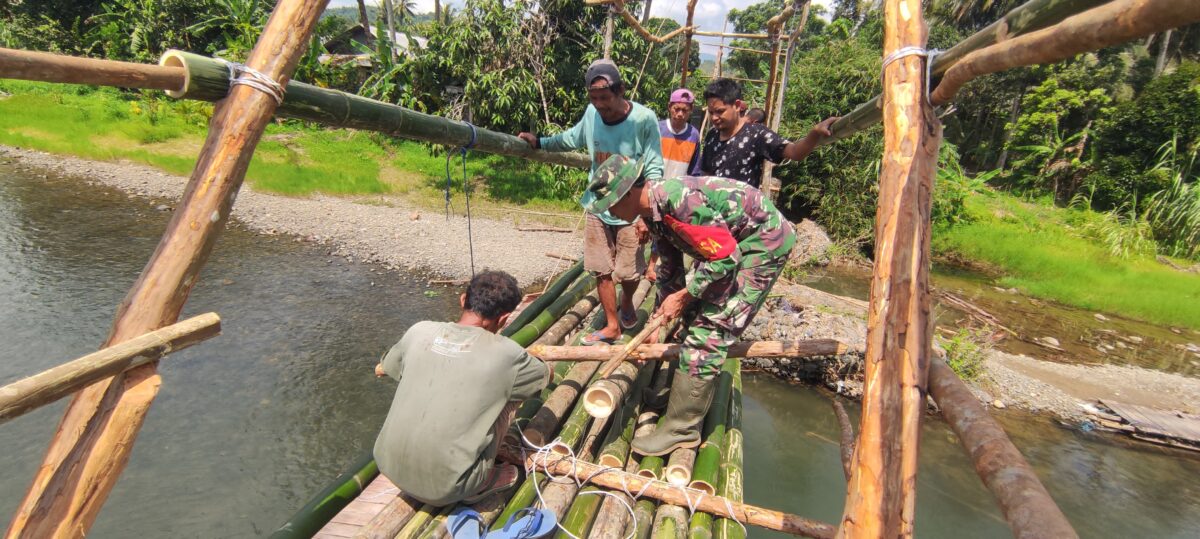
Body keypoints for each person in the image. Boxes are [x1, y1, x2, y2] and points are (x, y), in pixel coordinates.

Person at [579, 155, 796, 456]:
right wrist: (661, 317)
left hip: (762, 245)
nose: (610, 213)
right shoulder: (653, 211)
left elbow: (726, 258)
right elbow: (669, 268)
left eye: (612, 204)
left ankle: (682, 429)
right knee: (691, 318)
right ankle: (678, 397)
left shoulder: (680, 203)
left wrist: (684, 296)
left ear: (628, 192)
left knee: (711, 330)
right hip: (732, 247)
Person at [517, 59, 665, 345]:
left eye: (605, 98)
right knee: (601, 268)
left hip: (631, 206)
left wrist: (647, 214)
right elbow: (571, 138)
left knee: (628, 271)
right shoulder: (592, 114)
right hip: (599, 203)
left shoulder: (644, 119)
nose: (599, 105)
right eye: (594, 98)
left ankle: (627, 303)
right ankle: (612, 324)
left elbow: (655, 167)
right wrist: (541, 143)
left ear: (620, 91)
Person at [372, 271, 549, 506]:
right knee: (509, 399)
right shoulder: (507, 354)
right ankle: (482, 481)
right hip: (448, 487)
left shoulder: (419, 330)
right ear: (504, 318)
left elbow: (387, 366)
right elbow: (544, 377)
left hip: (386, 465)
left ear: (463, 300)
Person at [699, 78, 838, 188]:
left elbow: (795, 152)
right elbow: (706, 173)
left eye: (720, 111)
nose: (714, 118)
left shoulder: (756, 135)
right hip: (712, 216)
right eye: (711, 113)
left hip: (741, 218)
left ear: (736, 105)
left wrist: (814, 132)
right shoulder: (712, 136)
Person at [658, 88, 702, 180]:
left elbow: (694, 171)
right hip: (655, 187)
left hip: (679, 190)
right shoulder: (658, 129)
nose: (680, 114)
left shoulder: (693, 135)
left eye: (685, 110)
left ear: (691, 110)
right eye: (676, 109)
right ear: (669, 107)